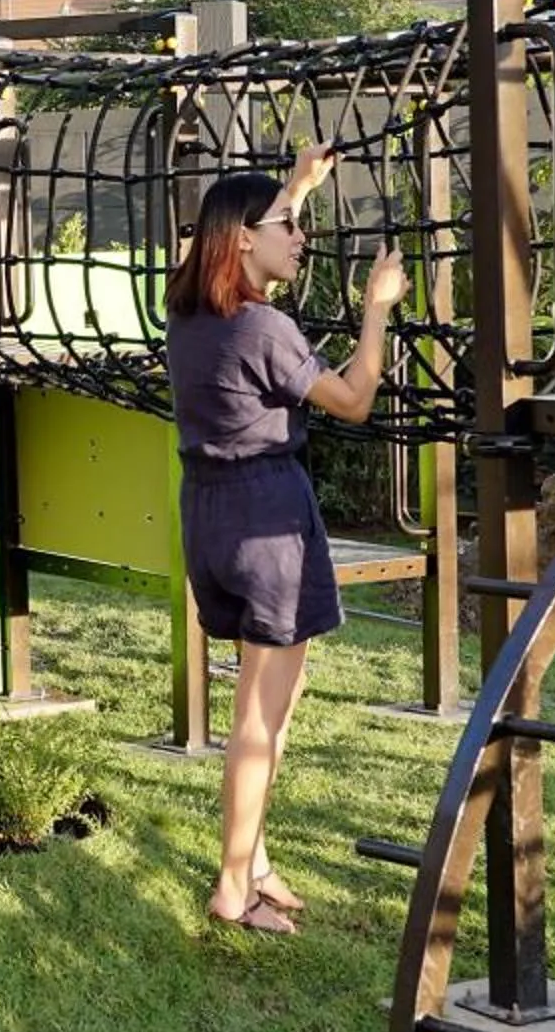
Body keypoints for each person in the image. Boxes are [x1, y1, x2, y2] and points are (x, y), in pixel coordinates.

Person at [166, 145, 408, 935]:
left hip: (207, 515)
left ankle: (257, 856)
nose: (299, 238)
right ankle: (234, 887)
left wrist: (295, 189)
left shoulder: (188, 313)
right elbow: (354, 400)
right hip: (267, 516)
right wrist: (377, 306)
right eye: (286, 227)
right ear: (241, 239)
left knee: (273, 699)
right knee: (260, 717)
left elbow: (212, 237)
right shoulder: (262, 326)